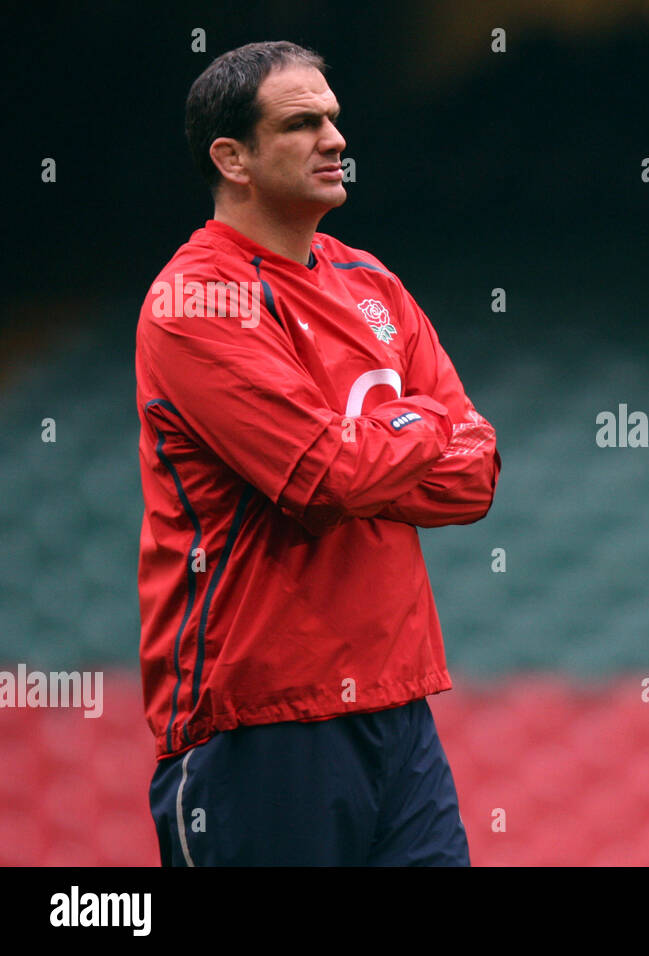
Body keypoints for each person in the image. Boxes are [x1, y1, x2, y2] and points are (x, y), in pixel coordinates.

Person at [135, 41, 500, 866]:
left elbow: (476, 474)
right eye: (302, 124)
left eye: (334, 117)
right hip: (259, 719)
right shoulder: (197, 299)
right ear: (233, 158)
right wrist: (419, 428)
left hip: (398, 707)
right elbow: (322, 477)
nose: (335, 139)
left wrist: (375, 446)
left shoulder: (374, 283)